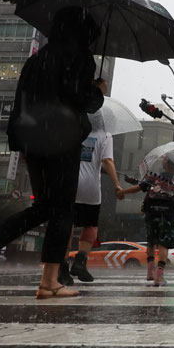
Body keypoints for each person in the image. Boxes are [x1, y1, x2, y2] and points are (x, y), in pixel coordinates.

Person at [0, 8, 105, 299]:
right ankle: (49, 281)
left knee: (44, 207)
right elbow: (82, 100)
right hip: (63, 139)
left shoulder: (37, 59)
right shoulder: (79, 58)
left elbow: (22, 100)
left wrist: (21, 140)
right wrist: (97, 91)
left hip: (34, 141)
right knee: (62, 209)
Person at [57, 123, 121, 286]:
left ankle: (63, 268)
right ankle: (80, 260)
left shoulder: (72, 130)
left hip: (68, 184)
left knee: (68, 226)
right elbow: (107, 161)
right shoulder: (105, 136)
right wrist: (117, 184)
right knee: (91, 225)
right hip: (90, 188)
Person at [119, 171, 174, 285]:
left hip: (151, 213)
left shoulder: (154, 177)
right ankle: (158, 276)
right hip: (167, 216)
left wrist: (122, 192)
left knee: (151, 242)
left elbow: (139, 187)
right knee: (163, 245)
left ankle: (150, 272)